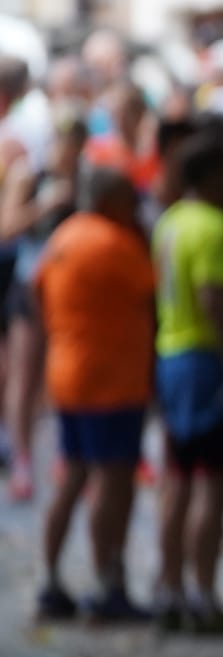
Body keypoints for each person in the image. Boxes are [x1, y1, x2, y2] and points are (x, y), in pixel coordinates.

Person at [152, 136, 223, 634]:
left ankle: (171, 589)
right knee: (213, 484)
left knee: (178, 480)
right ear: (214, 176)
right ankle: (203, 596)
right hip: (210, 364)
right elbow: (215, 297)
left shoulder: (171, 220)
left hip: (173, 356)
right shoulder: (215, 227)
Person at [32, 169, 155, 622]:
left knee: (75, 475)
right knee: (113, 479)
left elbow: (36, 293)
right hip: (112, 379)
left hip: (68, 373)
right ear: (109, 200)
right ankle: (109, 584)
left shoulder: (63, 237)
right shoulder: (115, 243)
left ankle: (50, 581)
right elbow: (151, 291)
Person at [1, 106, 88, 501]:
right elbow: (6, 227)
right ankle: (21, 457)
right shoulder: (30, 175)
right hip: (29, 284)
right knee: (24, 371)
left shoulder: (86, 179)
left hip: (70, 290)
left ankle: (61, 453)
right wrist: (46, 205)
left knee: (60, 372)